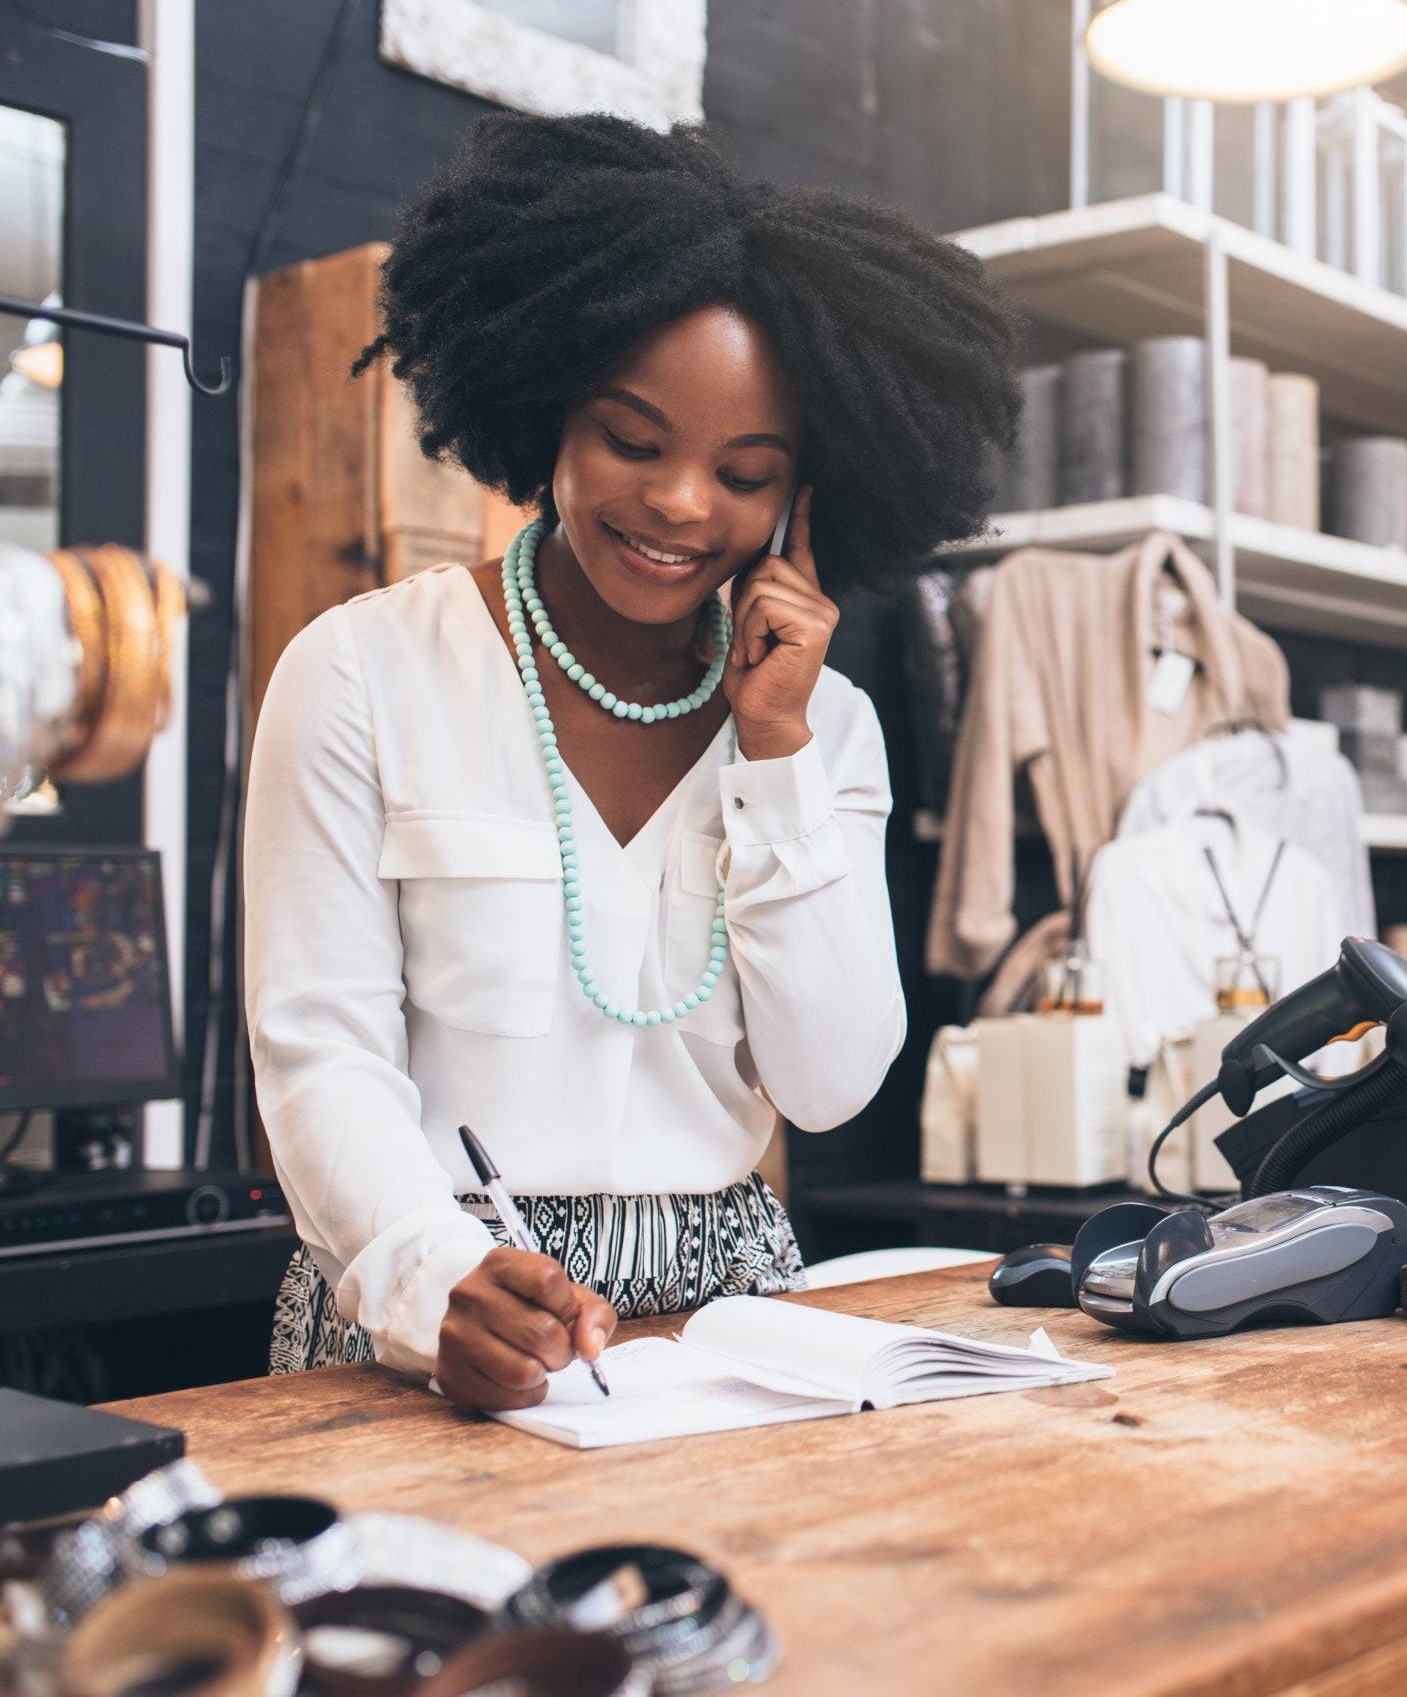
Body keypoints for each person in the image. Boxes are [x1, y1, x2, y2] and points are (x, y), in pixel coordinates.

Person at [241, 113, 1019, 1407]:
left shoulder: (828, 730)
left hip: (735, 1332)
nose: (679, 504)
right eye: (633, 439)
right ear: (547, 408)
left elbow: (828, 1087)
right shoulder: (359, 674)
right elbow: (321, 1055)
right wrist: (438, 1279)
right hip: (429, 1307)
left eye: (745, 471)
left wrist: (774, 748)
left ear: (803, 499)